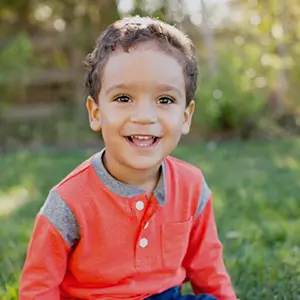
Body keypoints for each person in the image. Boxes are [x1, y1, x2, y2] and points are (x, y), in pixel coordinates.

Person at [19, 16, 238, 300]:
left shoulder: (192, 186)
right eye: (123, 98)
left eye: (165, 100)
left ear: (185, 117)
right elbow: (39, 286)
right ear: (96, 112)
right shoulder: (67, 202)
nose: (144, 116)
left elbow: (208, 267)